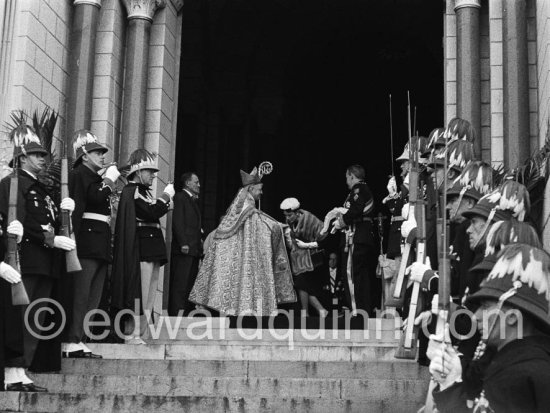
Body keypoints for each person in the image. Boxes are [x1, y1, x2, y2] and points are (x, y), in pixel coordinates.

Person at [428, 244, 550, 413]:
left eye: (486, 307)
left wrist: (450, 388)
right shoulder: (520, 362)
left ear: (513, 317)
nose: (476, 316)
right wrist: (451, 381)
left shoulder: (516, 375)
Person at [0, 124, 76, 391]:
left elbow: (50, 221)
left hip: (46, 260)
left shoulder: (40, 189)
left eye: (43, 154)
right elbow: (18, 221)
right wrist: (48, 238)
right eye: (36, 155)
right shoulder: (12, 183)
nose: (43, 158)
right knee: (19, 316)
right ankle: (12, 369)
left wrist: (65, 216)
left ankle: (24, 369)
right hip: (26, 258)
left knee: (36, 317)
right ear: (21, 158)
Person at [189, 167, 296, 315]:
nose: (262, 192)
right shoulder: (247, 208)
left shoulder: (245, 205)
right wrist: (277, 226)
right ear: (251, 188)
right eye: (260, 189)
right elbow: (259, 223)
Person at [63, 130, 121, 359]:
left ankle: (81, 339)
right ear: (84, 155)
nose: (103, 156)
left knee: (93, 297)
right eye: (97, 152)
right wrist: (109, 180)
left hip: (99, 242)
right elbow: (93, 200)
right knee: (80, 294)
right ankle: (71, 339)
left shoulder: (95, 179)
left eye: (103, 153)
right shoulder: (79, 175)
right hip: (86, 242)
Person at [111, 149, 174, 344]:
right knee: (138, 294)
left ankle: (142, 334)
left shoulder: (142, 191)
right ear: (138, 172)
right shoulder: (133, 190)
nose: (153, 176)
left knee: (148, 297)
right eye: (150, 172)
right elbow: (150, 211)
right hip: (142, 250)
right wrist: (164, 197)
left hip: (151, 250)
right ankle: (132, 335)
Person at [332, 164, 377, 315]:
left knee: (351, 275)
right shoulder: (362, 189)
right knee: (361, 276)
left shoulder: (358, 189)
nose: (346, 181)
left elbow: (355, 210)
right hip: (361, 238)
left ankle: (356, 311)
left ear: (352, 175)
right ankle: (364, 309)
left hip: (356, 238)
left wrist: (341, 221)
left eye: (347, 177)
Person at [280, 197, 328, 317]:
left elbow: (324, 238)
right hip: (299, 260)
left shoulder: (309, 219)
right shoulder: (290, 223)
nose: (287, 218)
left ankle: (307, 312)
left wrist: (307, 245)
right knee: (303, 285)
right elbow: (292, 242)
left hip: (312, 258)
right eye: (286, 215)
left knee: (301, 284)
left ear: (297, 212)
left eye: (290, 215)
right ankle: (318, 311)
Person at [169, 172, 202, 316]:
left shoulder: (192, 200)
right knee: (180, 284)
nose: (199, 185)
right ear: (188, 183)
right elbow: (178, 221)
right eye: (196, 182)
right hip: (184, 249)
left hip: (193, 250)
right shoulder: (180, 197)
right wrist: (183, 242)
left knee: (189, 283)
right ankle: (176, 313)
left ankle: (186, 313)